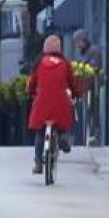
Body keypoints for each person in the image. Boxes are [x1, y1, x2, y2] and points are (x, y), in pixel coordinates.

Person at [26, 34, 76, 175]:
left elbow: (31, 83)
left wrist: (30, 92)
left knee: (40, 133)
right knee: (63, 120)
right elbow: (72, 82)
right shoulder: (65, 63)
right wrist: (76, 93)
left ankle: (38, 163)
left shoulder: (38, 63)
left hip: (42, 103)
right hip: (60, 102)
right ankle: (61, 138)